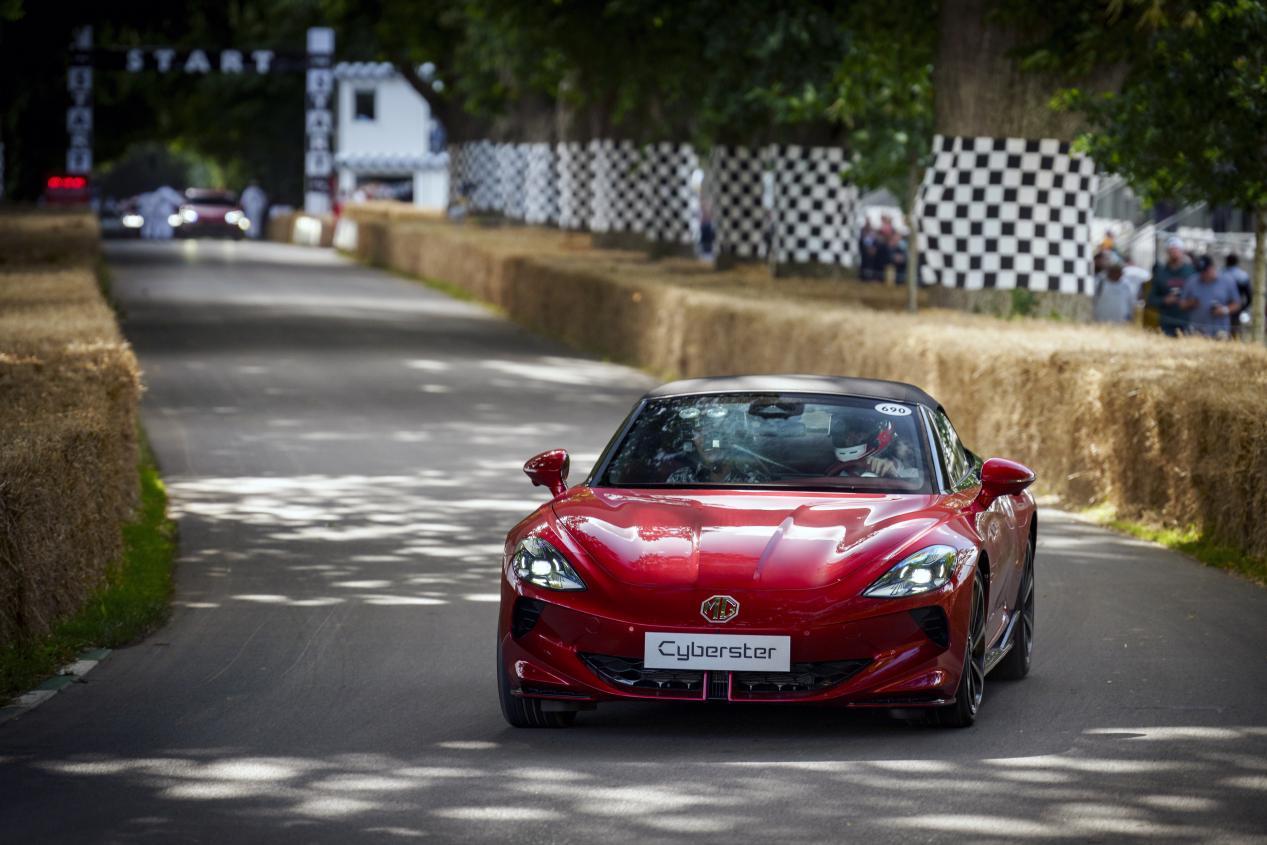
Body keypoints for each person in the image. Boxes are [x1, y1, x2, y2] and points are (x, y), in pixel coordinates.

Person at [666, 410, 770, 484]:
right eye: (699, 433)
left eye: (713, 434)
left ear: (727, 439)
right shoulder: (680, 479)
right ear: (693, 441)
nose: (706, 442)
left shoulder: (752, 482)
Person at [827, 410, 917, 479]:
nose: (849, 438)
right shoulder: (839, 472)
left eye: (859, 432)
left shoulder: (911, 474)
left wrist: (894, 476)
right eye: (846, 433)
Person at [1181, 255, 1241, 339]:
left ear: (1213, 267)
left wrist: (1224, 310)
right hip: (1196, 331)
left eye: (1206, 271)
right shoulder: (1192, 281)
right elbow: (1182, 304)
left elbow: (1237, 304)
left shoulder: (1227, 281)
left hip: (1220, 331)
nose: (1203, 274)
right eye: (1201, 271)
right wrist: (1190, 303)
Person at [1147, 236, 1195, 336]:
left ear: (1182, 251)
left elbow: (1200, 296)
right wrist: (1164, 300)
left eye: (1176, 249)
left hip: (1187, 322)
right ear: (1167, 252)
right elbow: (1151, 299)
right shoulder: (1161, 273)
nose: (1174, 252)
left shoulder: (1191, 272)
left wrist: (1188, 302)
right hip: (1166, 323)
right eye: (1171, 250)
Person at [1219, 254, 1252, 338]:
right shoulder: (1243, 276)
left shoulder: (1221, 274)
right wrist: (1243, 308)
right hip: (1236, 309)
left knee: (1221, 333)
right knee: (1235, 332)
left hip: (1221, 308)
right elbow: (1249, 296)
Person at [1092, 259, 1136, 324]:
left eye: (1119, 271)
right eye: (1114, 271)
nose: (1117, 274)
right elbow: (1092, 301)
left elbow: (1131, 303)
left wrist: (1131, 317)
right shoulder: (1099, 283)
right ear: (1109, 271)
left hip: (1120, 323)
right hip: (1101, 323)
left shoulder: (1126, 286)